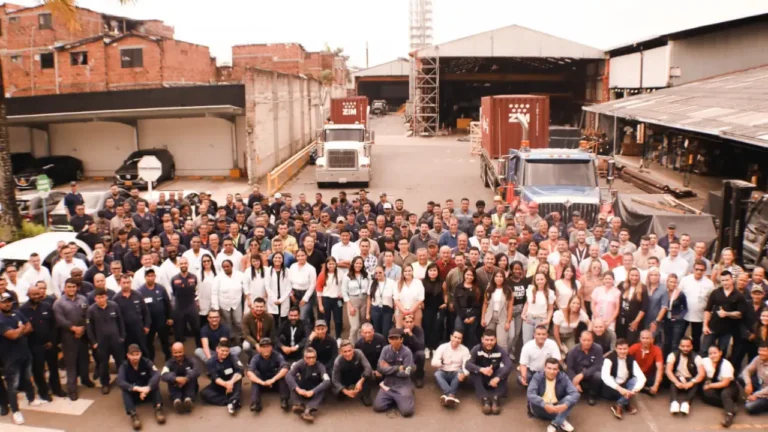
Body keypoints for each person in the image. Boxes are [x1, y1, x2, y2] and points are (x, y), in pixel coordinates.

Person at [0, 292, 45, 425]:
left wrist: (19, 330)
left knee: (27, 377)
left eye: (9, 301)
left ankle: (31, 399)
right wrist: (20, 328)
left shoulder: (17, 313)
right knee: (12, 386)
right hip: (9, 357)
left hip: (25, 352)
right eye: (4, 301)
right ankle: (15, 411)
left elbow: (29, 327)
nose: (7, 304)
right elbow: (12, 335)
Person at [21, 284, 67, 401]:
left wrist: (53, 341)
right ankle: (43, 392)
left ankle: (56, 388)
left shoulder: (47, 306)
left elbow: (54, 325)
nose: (37, 296)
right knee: (38, 371)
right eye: (34, 294)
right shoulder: (23, 310)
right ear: (28, 295)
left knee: (53, 368)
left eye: (38, 293)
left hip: (50, 344)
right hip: (34, 346)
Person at [53, 278, 94, 401]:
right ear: (64, 288)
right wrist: (73, 328)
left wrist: (82, 329)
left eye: (73, 287)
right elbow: (60, 320)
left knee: (84, 359)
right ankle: (72, 389)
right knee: (71, 363)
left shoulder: (83, 299)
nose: (71, 289)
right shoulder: (59, 303)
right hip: (68, 337)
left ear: (77, 287)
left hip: (83, 334)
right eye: (69, 287)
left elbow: (87, 315)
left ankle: (85, 379)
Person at [117, 344, 165, 431]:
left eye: (137, 354)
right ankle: (133, 415)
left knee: (155, 385)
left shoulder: (146, 362)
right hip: (134, 392)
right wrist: (137, 389)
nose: (135, 357)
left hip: (147, 391)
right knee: (125, 391)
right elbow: (120, 381)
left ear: (140, 354)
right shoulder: (124, 366)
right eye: (132, 355)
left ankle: (158, 409)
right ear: (128, 355)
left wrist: (148, 388)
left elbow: (157, 374)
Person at [87, 289, 126, 394]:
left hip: (116, 340)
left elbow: (120, 321)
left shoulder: (114, 306)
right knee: (103, 364)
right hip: (101, 343)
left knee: (120, 362)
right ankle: (105, 384)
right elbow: (89, 328)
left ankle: (123, 381)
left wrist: (122, 337)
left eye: (103, 297)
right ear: (95, 298)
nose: (101, 300)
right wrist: (94, 342)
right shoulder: (91, 310)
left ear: (106, 296)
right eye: (98, 298)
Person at [466, 329, 513, 415]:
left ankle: (496, 398)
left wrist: (497, 378)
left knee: (503, 371)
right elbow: (468, 364)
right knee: (474, 372)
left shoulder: (500, 350)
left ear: (495, 340)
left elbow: (509, 365)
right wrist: (481, 369)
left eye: (492, 340)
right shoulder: (476, 349)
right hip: (482, 378)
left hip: (494, 379)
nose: (489, 342)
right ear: (482, 339)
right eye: (487, 340)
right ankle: (485, 399)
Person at [702, 270, 748, 356]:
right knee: (704, 350)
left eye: (727, 280)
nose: (725, 282)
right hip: (712, 327)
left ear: (732, 280)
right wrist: (705, 325)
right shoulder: (715, 293)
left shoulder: (738, 296)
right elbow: (707, 310)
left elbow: (740, 314)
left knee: (722, 352)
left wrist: (726, 313)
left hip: (727, 330)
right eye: (723, 280)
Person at [528, 357, 580, 432]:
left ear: (558, 370)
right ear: (544, 368)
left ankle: (555, 423)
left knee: (570, 399)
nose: (552, 371)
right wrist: (544, 405)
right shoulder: (537, 376)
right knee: (534, 401)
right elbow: (530, 394)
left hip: (557, 405)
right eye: (549, 368)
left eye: (555, 369)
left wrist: (565, 405)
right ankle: (562, 419)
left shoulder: (563, 377)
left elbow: (575, 393)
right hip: (540, 407)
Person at [373, 328, 416, 417]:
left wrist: (388, 368)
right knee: (378, 407)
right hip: (388, 384)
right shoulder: (385, 349)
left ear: (401, 339)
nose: (394, 341)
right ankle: (397, 400)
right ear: (388, 340)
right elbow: (380, 368)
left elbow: (407, 372)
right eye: (392, 339)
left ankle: (407, 394)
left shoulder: (407, 352)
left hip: (402, 385)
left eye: (396, 338)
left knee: (407, 412)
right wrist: (397, 369)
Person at [601, 338, 646, 419]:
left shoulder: (631, 358)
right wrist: (619, 389)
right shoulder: (609, 359)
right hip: (612, 389)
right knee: (609, 378)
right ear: (615, 349)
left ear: (628, 348)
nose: (622, 351)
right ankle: (626, 402)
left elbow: (642, 377)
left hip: (625, 388)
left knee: (635, 380)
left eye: (625, 349)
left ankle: (619, 404)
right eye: (620, 349)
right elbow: (605, 377)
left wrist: (635, 390)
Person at [286, 347, 331, 423]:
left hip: (314, 389)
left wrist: (313, 391)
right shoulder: (300, 363)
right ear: (304, 357)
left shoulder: (320, 366)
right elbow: (288, 375)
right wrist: (298, 389)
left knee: (323, 387)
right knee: (292, 380)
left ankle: (308, 410)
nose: (311, 360)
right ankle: (298, 404)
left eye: (313, 357)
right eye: (308, 358)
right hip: (302, 388)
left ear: (316, 357)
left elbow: (327, 381)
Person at [246, 337, 290, 412]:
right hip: (262, 384)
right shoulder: (256, 358)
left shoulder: (277, 355)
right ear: (260, 348)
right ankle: (256, 403)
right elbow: (249, 373)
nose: (266, 349)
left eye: (268, 347)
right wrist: (262, 382)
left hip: (275, 384)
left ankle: (284, 400)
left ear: (271, 347)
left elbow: (285, 368)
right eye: (263, 347)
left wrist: (273, 380)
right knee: (255, 374)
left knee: (282, 373)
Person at [700, 344, 740, 427]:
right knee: (706, 394)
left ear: (720, 353)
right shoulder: (705, 361)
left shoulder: (726, 365)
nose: (713, 355)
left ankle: (729, 415)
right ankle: (731, 405)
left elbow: (725, 383)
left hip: (730, 386)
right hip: (715, 384)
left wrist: (710, 385)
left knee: (725, 394)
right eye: (710, 354)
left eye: (715, 353)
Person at [138, 269, 173, 362]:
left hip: (161, 320)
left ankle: (168, 358)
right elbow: (140, 309)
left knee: (164, 340)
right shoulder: (140, 291)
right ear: (145, 278)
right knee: (149, 342)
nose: (150, 278)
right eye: (148, 276)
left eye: (152, 276)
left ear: (155, 277)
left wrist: (170, 317)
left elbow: (167, 303)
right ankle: (150, 360)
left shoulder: (161, 288)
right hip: (149, 322)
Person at [201, 340, 244, 415]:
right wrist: (225, 384)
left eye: (227, 351)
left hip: (232, 383)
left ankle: (234, 400)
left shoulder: (233, 357)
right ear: (217, 349)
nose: (224, 353)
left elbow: (240, 370)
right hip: (219, 384)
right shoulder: (210, 362)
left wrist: (231, 382)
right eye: (222, 350)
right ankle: (231, 401)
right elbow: (215, 377)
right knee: (203, 393)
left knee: (238, 378)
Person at [680, 261, 715, 353]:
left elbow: (711, 301)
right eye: (697, 269)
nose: (699, 271)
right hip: (684, 315)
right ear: (693, 269)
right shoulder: (685, 280)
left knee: (696, 339)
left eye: (701, 270)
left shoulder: (709, 284)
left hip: (699, 317)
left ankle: (694, 358)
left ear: (705, 271)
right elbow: (678, 296)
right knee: (680, 336)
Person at [665, 336, 705, 415]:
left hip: (690, 379)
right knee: (673, 381)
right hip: (678, 378)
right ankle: (674, 402)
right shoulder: (672, 355)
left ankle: (687, 403)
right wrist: (676, 382)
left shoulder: (697, 357)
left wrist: (691, 383)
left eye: (688, 346)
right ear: (679, 346)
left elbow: (701, 373)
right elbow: (668, 371)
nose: (685, 348)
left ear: (691, 346)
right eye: (683, 346)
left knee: (695, 383)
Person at [432, 330, 471, 407]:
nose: (456, 340)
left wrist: (465, 373)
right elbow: (433, 363)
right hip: (443, 371)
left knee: (460, 372)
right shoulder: (442, 347)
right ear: (451, 337)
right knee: (437, 374)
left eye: (459, 338)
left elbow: (466, 365)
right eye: (455, 337)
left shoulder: (465, 350)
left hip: (456, 372)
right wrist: (442, 362)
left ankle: (448, 396)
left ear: (461, 340)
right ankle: (451, 395)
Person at [565, 330, 604, 405]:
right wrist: (575, 381)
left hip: (591, 375)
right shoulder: (573, 351)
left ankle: (592, 395)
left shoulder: (598, 349)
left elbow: (598, 366)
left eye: (589, 340)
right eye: (584, 340)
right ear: (580, 339)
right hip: (576, 375)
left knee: (598, 375)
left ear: (593, 340)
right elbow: (569, 368)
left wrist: (583, 374)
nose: (586, 343)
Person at [212, 260, 247, 342]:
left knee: (238, 321)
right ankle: (231, 337)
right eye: (224, 267)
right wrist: (216, 307)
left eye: (227, 266)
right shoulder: (218, 278)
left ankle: (242, 336)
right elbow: (214, 293)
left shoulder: (240, 275)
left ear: (232, 266)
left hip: (236, 302)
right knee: (227, 322)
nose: (226, 268)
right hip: (224, 303)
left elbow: (245, 289)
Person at [161, 342, 200, 414]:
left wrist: (186, 378)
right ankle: (177, 400)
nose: (178, 354)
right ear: (172, 353)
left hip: (189, 385)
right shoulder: (169, 363)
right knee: (171, 375)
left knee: (191, 373)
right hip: (176, 386)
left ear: (184, 351)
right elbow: (163, 375)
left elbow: (197, 370)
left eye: (180, 352)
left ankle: (188, 399)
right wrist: (175, 379)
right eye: (175, 352)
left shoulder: (191, 360)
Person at [332, 340, 374, 406]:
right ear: (340, 352)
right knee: (338, 395)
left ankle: (365, 395)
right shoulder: (337, 361)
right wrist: (345, 391)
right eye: (345, 352)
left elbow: (368, 368)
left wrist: (361, 381)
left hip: (358, 376)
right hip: (345, 378)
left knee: (370, 374)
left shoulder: (359, 353)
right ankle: (346, 391)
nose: (348, 353)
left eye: (349, 350)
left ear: (353, 349)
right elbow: (335, 380)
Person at [170, 258, 201, 348]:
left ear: (188, 264)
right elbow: (173, 293)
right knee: (178, 332)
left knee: (197, 330)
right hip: (179, 308)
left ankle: (199, 349)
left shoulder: (193, 277)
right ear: (178, 265)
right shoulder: (174, 279)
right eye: (181, 264)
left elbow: (197, 291)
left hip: (191, 306)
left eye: (185, 263)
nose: (183, 265)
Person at [481, 270, 514, 351]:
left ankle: (503, 361)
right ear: (494, 278)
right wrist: (483, 318)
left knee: (501, 342)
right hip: (490, 316)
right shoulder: (489, 289)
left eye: (501, 276)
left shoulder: (508, 290)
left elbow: (510, 307)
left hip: (503, 317)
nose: (499, 278)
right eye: (497, 276)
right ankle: (488, 358)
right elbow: (485, 304)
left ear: (504, 278)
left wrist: (508, 321)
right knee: (489, 340)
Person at [342, 256, 371, 343]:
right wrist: (349, 305)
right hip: (353, 301)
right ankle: (351, 344)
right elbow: (344, 291)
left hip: (364, 300)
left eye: (360, 263)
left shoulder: (367, 275)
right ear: (353, 264)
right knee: (355, 326)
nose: (358, 265)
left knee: (362, 325)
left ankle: (360, 344)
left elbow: (370, 288)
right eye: (356, 263)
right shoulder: (347, 276)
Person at [616, 268, 648, 345]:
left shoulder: (643, 288)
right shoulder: (622, 285)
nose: (634, 277)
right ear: (628, 276)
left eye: (636, 275)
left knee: (630, 342)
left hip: (634, 321)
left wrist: (636, 322)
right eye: (632, 275)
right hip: (621, 320)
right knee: (620, 341)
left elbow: (644, 308)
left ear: (639, 277)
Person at [522, 273, 556, 344]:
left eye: (541, 279)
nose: (540, 281)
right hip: (529, 317)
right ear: (535, 281)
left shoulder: (550, 293)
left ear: (545, 280)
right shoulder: (530, 289)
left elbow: (550, 309)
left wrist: (548, 320)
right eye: (538, 279)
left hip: (542, 319)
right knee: (526, 341)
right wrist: (523, 314)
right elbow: (527, 303)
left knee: (540, 342)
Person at [628, 330, 664, 396]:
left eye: (647, 338)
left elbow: (660, 368)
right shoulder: (634, 347)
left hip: (649, 376)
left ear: (652, 340)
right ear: (640, 339)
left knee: (660, 381)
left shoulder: (657, 349)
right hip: (636, 375)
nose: (645, 340)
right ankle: (645, 389)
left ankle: (643, 388)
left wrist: (656, 385)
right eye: (643, 338)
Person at [454, 267, 482, 348]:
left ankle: (471, 353)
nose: (469, 277)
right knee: (458, 331)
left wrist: (473, 316)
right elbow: (456, 304)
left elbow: (479, 304)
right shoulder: (458, 287)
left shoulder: (477, 288)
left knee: (471, 334)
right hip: (461, 314)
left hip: (473, 315)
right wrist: (464, 317)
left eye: (471, 275)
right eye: (467, 274)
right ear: (464, 275)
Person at [367, 265, 396, 337]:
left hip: (387, 310)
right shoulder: (372, 283)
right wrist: (367, 313)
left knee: (386, 331)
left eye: (380, 272)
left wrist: (395, 312)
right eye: (376, 273)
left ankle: (386, 346)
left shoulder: (391, 283)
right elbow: (369, 298)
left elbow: (394, 299)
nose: (378, 274)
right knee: (377, 331)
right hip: (375, 309)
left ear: (384, 272)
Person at [742, 342, 768, 415]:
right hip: (761, 385)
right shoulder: (758, 358)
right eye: (760, 350)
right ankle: (754, 398)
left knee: (749, 407)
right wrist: (748, 383)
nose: (761, 353)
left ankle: (759, 401)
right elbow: (746, 370)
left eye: (764, 351)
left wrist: (756, 395)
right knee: (741, 377)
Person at [402, 314, 426, 388]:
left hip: (415, 354)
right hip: (403, 356)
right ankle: (403, 376)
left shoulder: (419, 330)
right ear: (403, 322)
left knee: (421, 354)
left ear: (414, 323)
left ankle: (419, 376)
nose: (409, 324)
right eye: (407, 322)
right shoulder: (399, 331)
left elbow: (421, 346)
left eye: (411, 322)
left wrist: (411, 335)